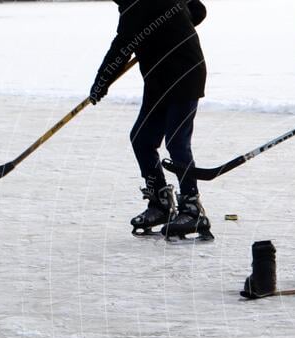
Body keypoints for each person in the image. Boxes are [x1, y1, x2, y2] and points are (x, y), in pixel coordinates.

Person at [89, 0, 213, 241]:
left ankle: (192, 208)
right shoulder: (132, 8)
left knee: (177, 142)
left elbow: (121, 48)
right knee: (142, 138)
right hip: (158, 80)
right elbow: (197, 10)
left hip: (185, 73)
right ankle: (161, 203)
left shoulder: (134, 7)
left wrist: (101, 83)